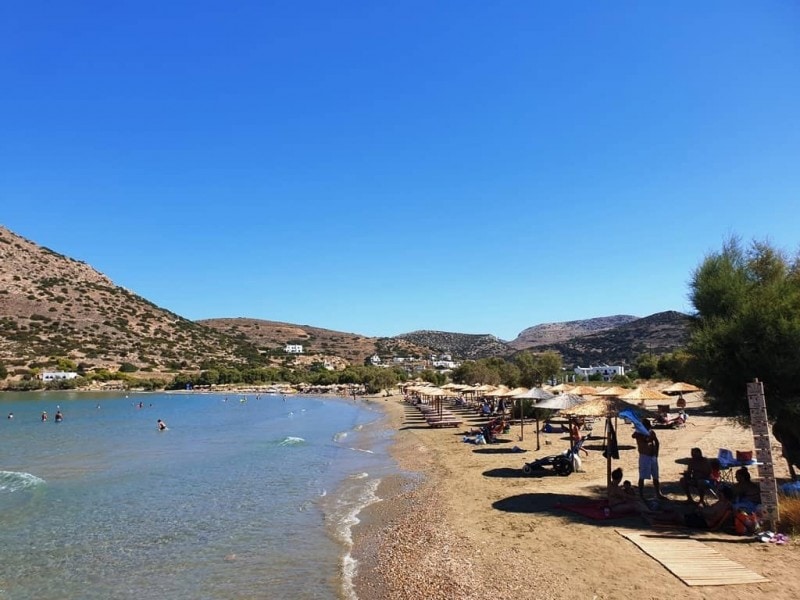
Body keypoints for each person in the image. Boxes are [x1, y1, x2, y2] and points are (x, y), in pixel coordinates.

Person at [647, 486, 734, 529]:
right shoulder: (722, 503)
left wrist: (702, 510)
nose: (718, 494)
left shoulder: (724, 505)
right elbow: (711, 512)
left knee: (677, 516)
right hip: (703, 518)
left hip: (704, 522)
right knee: (678, 512)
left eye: (720, 493)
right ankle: (655, 515)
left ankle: (655, 517)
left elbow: (713, 516)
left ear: (724, 494)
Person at [632, 418, 666, 500]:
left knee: (656, 476)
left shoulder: (651, 432)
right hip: (644, 456)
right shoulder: (639, 433)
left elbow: (656, 442)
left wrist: (656, 453)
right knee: (642, 476)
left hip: (653, 456)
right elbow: (644, 440)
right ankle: (641, 494)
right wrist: (647, 436)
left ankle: (658, 493)